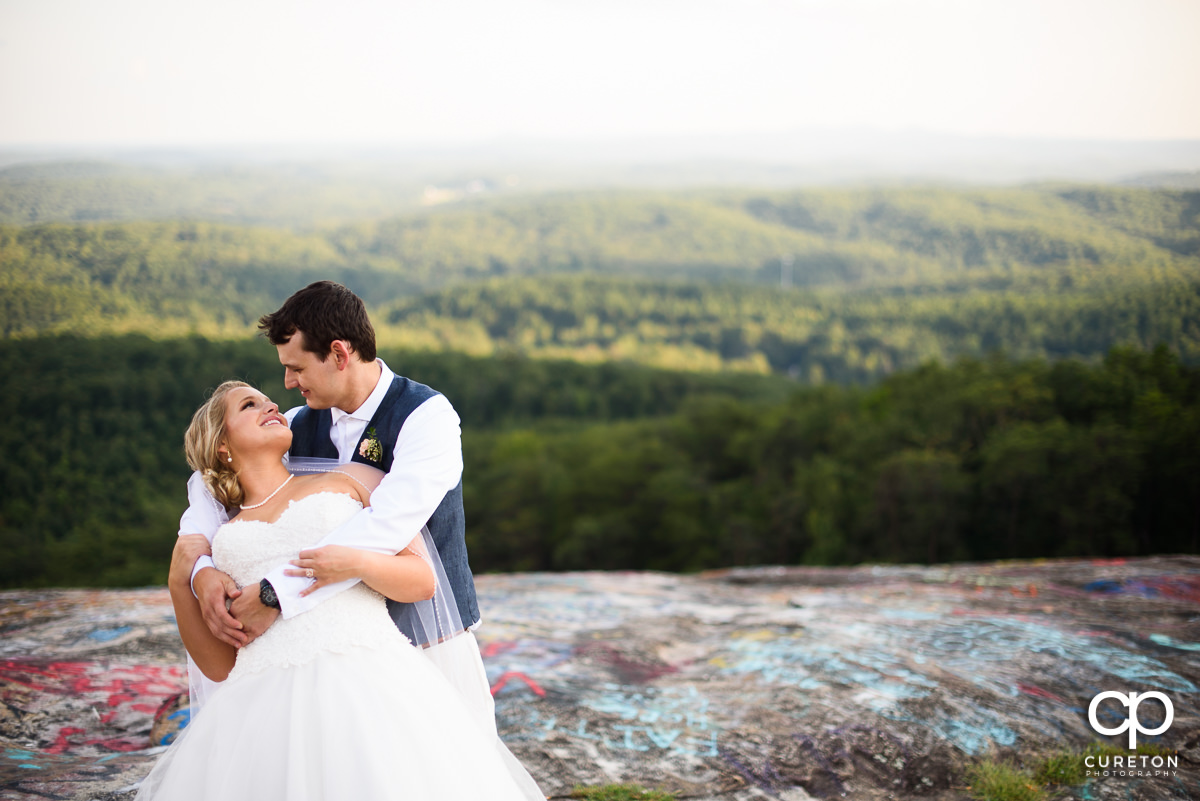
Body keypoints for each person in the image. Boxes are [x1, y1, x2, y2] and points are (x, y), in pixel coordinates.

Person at [138, 381, 539, 799]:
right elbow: (219, 666)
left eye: (267, 398)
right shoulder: (222, 532)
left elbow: (422, 581)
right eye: (249, 404)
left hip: (368, 681)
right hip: (260, 706)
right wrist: (181, 582)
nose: (273, 403)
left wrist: (356, 563)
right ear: (222, 444)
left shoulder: (353, 479)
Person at [177, 281, 497, 739]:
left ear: (339, 354)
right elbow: (207, 480)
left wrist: (274, 593)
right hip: (325, 655)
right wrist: (200, 565)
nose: (288, 382)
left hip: (431, 638)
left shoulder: (427, 417)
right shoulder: (295, 424)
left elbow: (385, 527)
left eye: (296, 368)